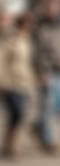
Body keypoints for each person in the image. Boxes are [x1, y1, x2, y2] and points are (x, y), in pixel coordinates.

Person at [32, 0, 60, 153]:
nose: (55, 10)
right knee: (48, 107)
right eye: (52, 7)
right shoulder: (39, 27)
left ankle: (39, 126)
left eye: (57, 6)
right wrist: (40, 72)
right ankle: (50, 141)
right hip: (47, 71)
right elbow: (36, 52)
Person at [1, 12, 37, 158]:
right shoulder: (11, 41)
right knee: (18, 114)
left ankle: (8, 145)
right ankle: (12, 147)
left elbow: (28, 64)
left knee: (16, 116)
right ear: (23, 25)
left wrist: (32, 79)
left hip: (23, 83)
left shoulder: (26, 41)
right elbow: (1, 62)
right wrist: (2, 82)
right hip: (11, 83)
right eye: (29, 24)